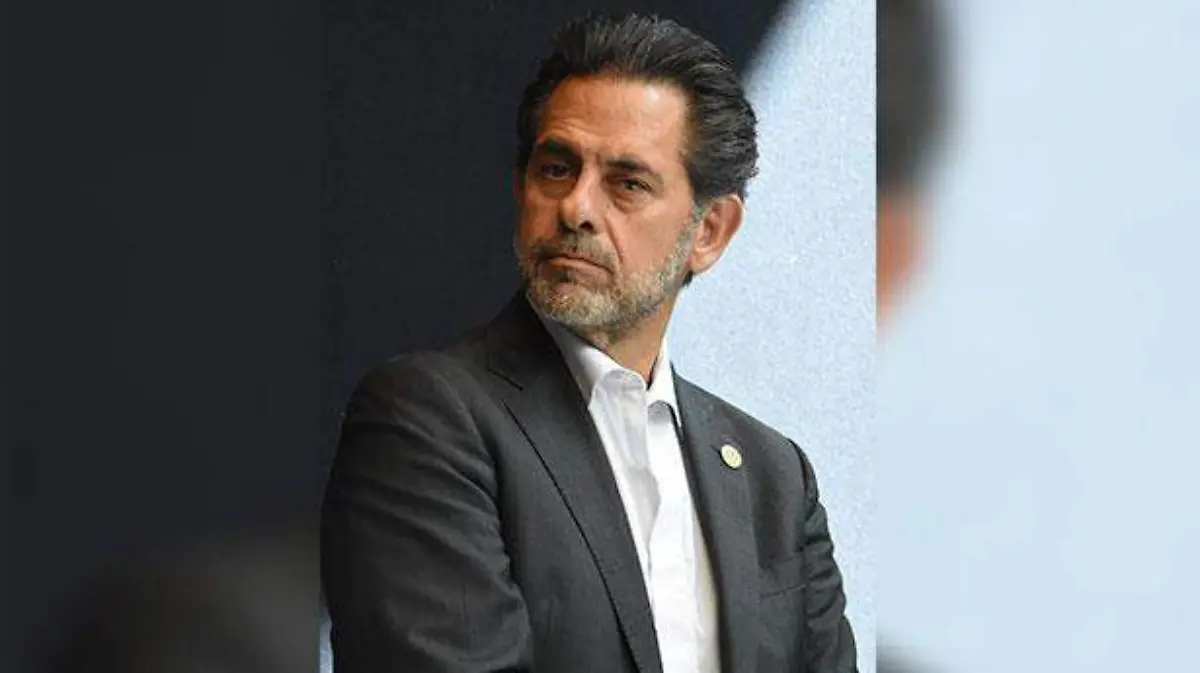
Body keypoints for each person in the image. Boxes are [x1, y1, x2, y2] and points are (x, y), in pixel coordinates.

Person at [320, 12, 857, 673]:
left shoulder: (776, 478)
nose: (575, 207)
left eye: (627, 183)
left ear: (710, 230)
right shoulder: (425, 420)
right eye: (556, 168)